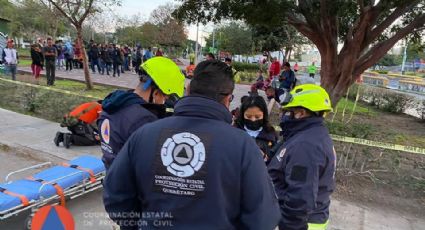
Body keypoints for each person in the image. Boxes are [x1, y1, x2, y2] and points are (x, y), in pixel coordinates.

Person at [103, 60, 281, 229]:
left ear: (188, 90)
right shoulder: (243, 146)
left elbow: (116, 197)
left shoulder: (144, 135)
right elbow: (263, 218)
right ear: (228, 99)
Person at [268, 84, 336, 230]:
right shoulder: (310, 134)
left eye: (287, 111)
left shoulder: (306, 146)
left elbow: (300, 198)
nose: (283, 115)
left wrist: (287, 226)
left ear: (301, 113)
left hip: (298, 224)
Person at [97, 57, 185, 169]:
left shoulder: (113, 104)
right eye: (165, 97)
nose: (164, 102)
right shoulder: (143, 120)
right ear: (156, 93)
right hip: (130, 182)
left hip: (112, 175)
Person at [235, 95, 278, 164]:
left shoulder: (271, 134)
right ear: (242, 115)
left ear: (264, 115)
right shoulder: (234, 132)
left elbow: (275, 159)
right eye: (248, 116)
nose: (253, 120)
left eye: (257, 117)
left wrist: (264, 157)